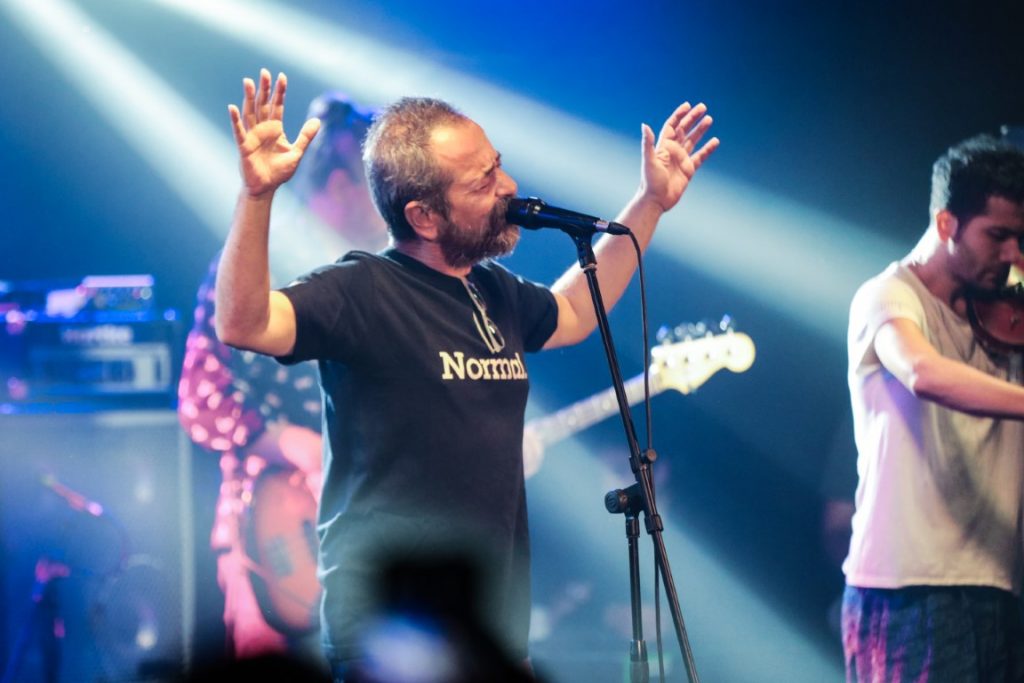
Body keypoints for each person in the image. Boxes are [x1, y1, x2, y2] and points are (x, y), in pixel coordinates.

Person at [215, 68, 717, 678]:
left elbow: (574, 312)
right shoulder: (362, 288)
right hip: (392, 629)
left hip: (492, 620)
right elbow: (244, 324)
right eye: (482, 182)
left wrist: (650, 202)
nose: (508, 187)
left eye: (497, 165)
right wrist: (257, 196)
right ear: (424, 217)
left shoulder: (491, 289)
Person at [177, 92, 387, 660]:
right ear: (342, 187)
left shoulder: (389, 274)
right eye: (378, 188)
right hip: (276, 541)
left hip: (376, 532)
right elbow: (199, 398)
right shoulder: (257, 261)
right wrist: (282, 440)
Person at [842, 134, 1024, 681]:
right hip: (910, 590)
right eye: (997, 236)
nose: (1013, 256)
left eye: (1020, 238)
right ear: (947, 223)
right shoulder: (889, 296)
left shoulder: (1006, 312)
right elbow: (922, 371)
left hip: (997, 587)